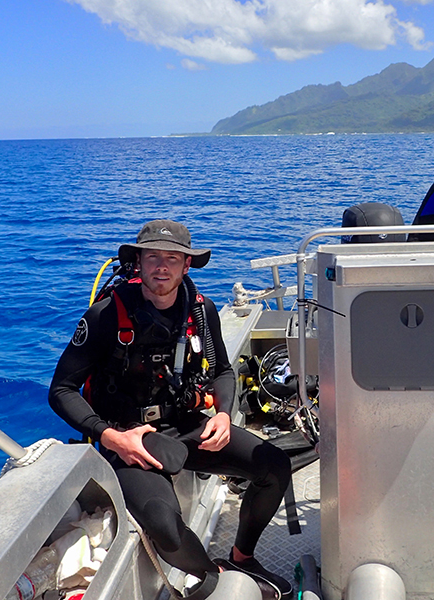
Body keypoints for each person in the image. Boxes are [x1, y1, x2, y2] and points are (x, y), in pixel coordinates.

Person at [48, 220, 293, 599]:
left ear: (186, 265)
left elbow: (223, 371)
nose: (162, 266)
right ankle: (216, 579)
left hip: (186, 425)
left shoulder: (201, 311)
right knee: (163, 523)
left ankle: (242, 558)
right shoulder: (105, 317)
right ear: (138, 264)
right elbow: (61, 390)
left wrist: (224, 415)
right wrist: (110, 436)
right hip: (129, 440)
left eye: (172, 258)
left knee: (274, 465)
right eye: (153, 257)